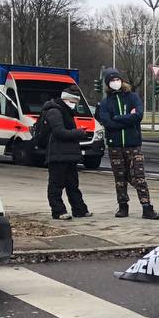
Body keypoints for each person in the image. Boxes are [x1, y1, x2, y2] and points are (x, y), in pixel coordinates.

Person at [97, 68, 158, 220]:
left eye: (117, 80)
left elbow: (138, 116)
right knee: (120, 177)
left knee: (139, 176)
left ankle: (147, 207)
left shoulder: (133, 97)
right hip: (115, 145)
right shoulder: (105, 103)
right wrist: (125, 119)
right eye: (112, 81)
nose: (115, 83)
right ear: (107, 84)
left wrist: (117, 118)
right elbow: (107, 122)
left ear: (122, 81)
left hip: (133, 144)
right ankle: (123, 206)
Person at [42, 89, 92, 221]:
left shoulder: (66, 111)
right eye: (72, 101)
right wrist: (79, 133)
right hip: (57, 154)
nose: (74, 104)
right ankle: (58, 211)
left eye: (76, 102)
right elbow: (59, 132)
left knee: (72, 184)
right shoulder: (54, 111)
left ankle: (80, 209)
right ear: (65, 99)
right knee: (56, 185)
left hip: (68, 154)